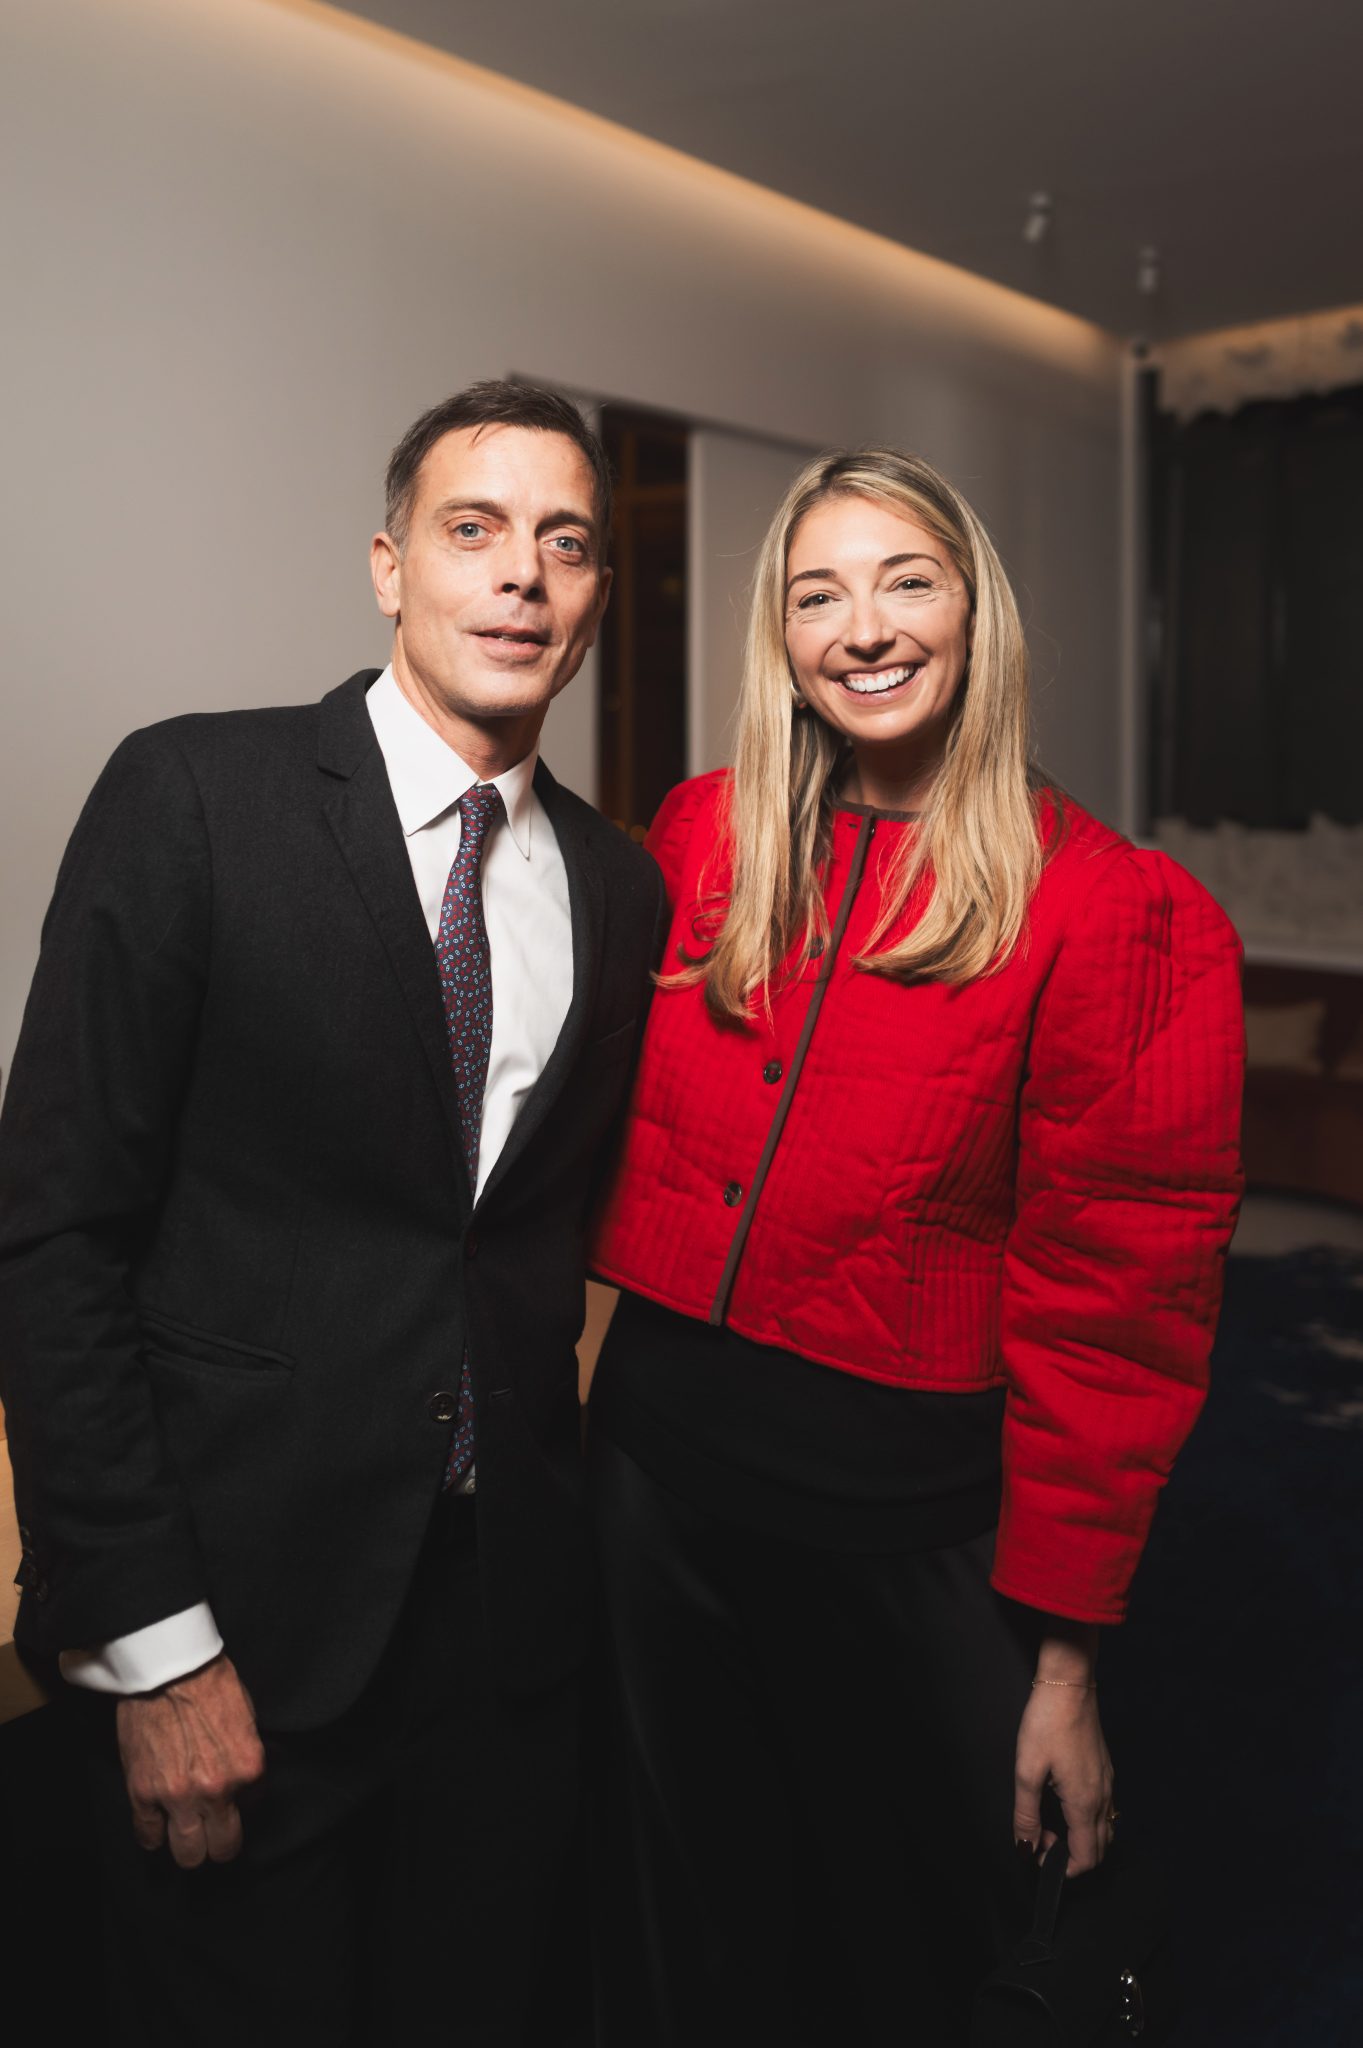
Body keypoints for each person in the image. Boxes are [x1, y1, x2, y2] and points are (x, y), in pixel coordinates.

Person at [0, 380, 664, 2046]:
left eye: (566, 545)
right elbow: (55, 1231)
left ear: (592, 601)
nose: (524, 575)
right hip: (237, 1629)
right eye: (476, 529)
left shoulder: (618, 884)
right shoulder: (193, 799)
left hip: (508, 1640)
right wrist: (151, 1649)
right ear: (388, 567)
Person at [586, 447, 1244, 2045]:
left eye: (906, 582)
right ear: (781, 639)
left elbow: (1120, 1314)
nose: (862, 627)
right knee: (681, 1920)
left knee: (924, 1943)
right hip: (653, 1490)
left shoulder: (1116, 912)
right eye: (818, 593)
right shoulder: (702, 834)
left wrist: (1068, 1665)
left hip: (905, 1521)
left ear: (976, 616)